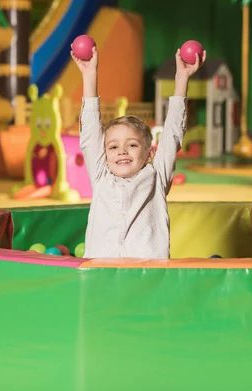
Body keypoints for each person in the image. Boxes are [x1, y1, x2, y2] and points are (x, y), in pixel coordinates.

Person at [71, 45, 206, 258]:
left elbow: (172, 133)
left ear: (150, 154)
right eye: (113, 147)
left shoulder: (156, 177)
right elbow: (90, 133)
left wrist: (182, 78)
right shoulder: (101, 176)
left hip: (147, 273)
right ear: (104, 155)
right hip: (102, 274)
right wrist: (89, 75)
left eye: (132, 145)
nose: (122, 151)